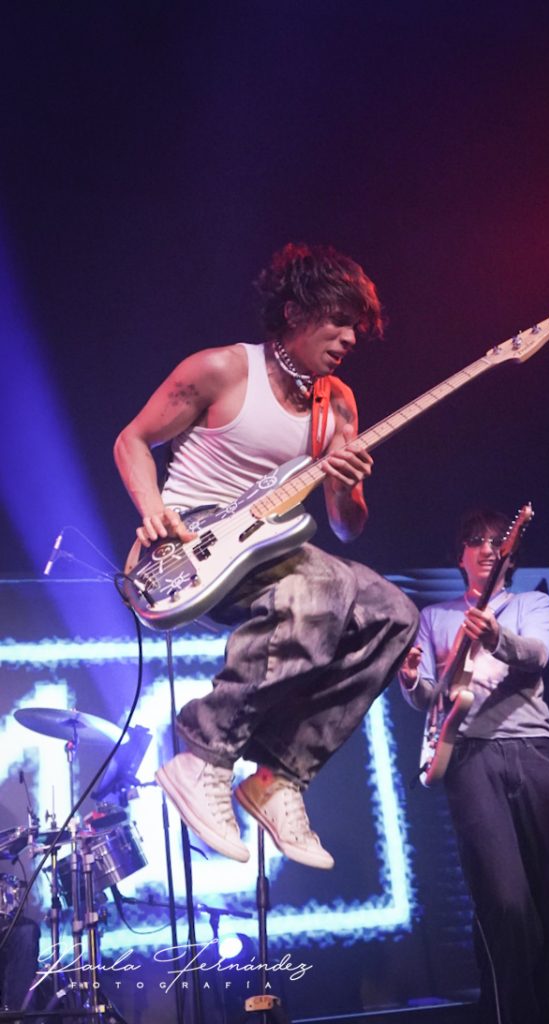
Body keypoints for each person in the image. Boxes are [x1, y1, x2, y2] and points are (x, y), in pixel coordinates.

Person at [114, 242, 418, 870]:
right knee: (319, 589)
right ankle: (204, 753)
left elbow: (346, 528)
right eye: (338, 320)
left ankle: (278, 777)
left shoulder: (337, 405)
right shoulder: (223, 370)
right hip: (188, 555)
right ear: (294, 311)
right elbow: (132, 440)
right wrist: (152, 509)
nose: (349, 338)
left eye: (356, 327)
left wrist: (347, 485)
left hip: (267, 552)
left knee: (394, 614)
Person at [399, 508, 549, 1024]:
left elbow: (537, 655)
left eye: (495, 541)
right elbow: (433, 698)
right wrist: (410, 680)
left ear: (510, 553)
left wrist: (496, 635)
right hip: (471, 757)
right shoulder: (435, 617)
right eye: (474, 540)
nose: (485, 548)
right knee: (504, 903)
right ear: (460, 554)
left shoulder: (530, 604)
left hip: (536, 753)